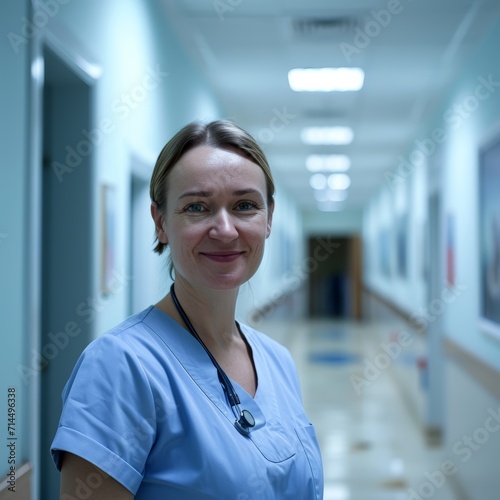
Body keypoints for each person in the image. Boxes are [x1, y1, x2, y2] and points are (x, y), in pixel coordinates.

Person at [51, 119, 324, 499]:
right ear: (161, 222)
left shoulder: (277, 361)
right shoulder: (120, 366)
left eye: (245, 205)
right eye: (197, 207)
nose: (226, 230)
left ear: (269, 218)